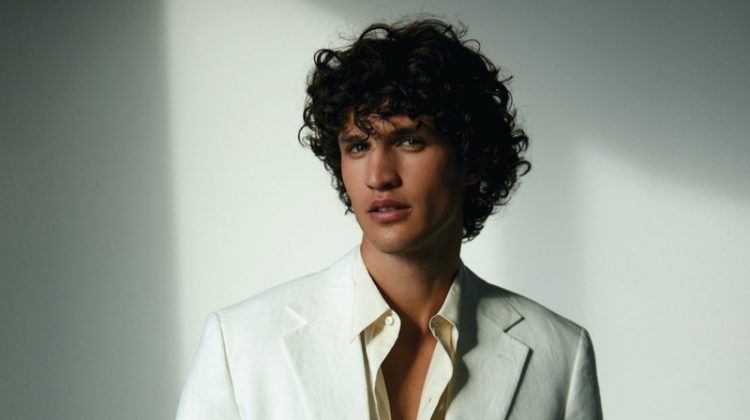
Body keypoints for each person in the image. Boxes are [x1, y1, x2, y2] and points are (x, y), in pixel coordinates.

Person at [176, 18, 603, 420]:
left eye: (410, 141)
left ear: (470, 160)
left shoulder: (560, 354)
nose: (379, 176)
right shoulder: (241, 343)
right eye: (358, 146)